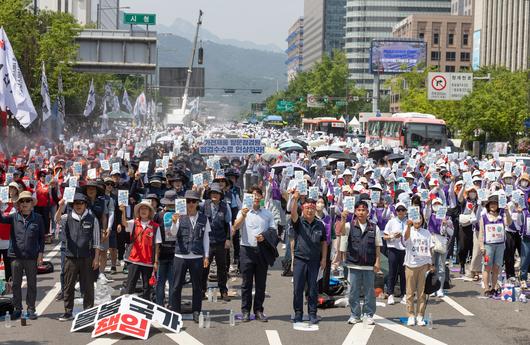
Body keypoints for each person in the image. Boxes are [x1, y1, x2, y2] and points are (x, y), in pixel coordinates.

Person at [233, 185, 277, 322]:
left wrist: (264, 237)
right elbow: (235, 227)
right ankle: (245, 311)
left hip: (261, 250)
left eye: (258, 195)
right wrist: (243, 215)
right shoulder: (243, 211)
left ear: (262, 197)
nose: (256, 197)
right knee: (246, 283)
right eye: (253, 195)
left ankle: (258, 310)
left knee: (261, 283)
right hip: (246, 250)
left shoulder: (267, 213)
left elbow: (273, 231)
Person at [56, 193, 102, 321]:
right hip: (70, 257)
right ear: (72, 205)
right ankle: (68, 312)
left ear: (85, 204)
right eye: (76, 203)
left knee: (88, 286)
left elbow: (97, 240)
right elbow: (57, 220)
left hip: (87, 257)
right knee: (68, 285)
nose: (78, 205)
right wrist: (60, 207)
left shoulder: (93, 218)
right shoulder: (67, 217)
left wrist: (96, 258)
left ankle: (88, 311)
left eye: (81, 203)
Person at [0, 191, 45, 320]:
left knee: (32, 284)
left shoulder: (38, 218)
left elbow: (41, 238)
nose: (25, 203)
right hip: (15, 256)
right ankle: (17, 309)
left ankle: (31, 309)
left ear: (32, 203)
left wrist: (40, 254)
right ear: (18, 204)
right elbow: (1, 219)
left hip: (31, 257)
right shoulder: (13, 217)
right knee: (16, 284)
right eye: (22, 201)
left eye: (27, 201)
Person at [169, 190, 210, 323]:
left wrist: (206, 256)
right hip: (180, 255)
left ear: (198, 203)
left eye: (194, 201)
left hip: (197, 256)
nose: (191, 204)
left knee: (197, 287)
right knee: (176, 286)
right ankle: (175, 312)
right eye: (188, 201)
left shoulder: (204, 218)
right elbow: (173, 233)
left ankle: (196, 311)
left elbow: (206, 239)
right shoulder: (179, 216)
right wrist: (174, 222)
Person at [337, 200, 381, 325]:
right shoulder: (349, 225)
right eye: (359, 210)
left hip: (369, 265)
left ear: (368, 212)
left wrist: (377, 261)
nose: (361, 212)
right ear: (355, 212)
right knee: (353, 291)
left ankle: (368, 314)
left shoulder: (374, 227)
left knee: (369, 292)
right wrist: (343, 218)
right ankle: (355, 314)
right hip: (353, 264)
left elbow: (378, 246)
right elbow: (340, 232)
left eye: (364, 210)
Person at [290, 192, 327, 324]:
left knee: (313, 289)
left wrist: (323, 259)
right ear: (303, 209)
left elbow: (324, 243)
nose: (310, 210)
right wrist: (295, 199)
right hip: (300, 260)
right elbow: (293, 213)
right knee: (298, 289)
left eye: (312, 208)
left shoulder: (320, 224)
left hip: (314, 261)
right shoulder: (298, 222)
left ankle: (312, 313)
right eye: (307, 208)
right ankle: (298, 313)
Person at [119, 200, 161, 300]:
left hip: (148, 262)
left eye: (146, 208)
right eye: (142, 208)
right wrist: (123, 211)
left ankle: (146, 307)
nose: (143, 211)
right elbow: (124, 223)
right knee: (130, 285)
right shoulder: (134, 222)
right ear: (138, 211)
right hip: (134, 259)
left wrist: (155, 262)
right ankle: (127, 307)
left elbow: (157, 245)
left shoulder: (155, 227)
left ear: (150, 212)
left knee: (147, 287)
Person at [201, 183, 232, 301]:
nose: (214, 195)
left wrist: (228, 239)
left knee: (222, 267)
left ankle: (223, 291)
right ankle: (202, 290)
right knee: (205, 267)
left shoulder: (225, 206)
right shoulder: (204, 205)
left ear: (220, 195)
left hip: (220, 240)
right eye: (213, 193)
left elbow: (227, 223)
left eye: (217, 193)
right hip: (207, 241)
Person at [479, 194, 512, 296]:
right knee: (487, 267)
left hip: (500, 246)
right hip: (488, 246)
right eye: (491, 204)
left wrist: (507, 212)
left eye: (495, 204)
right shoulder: (484, 217)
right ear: (488, 206)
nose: (493, 205)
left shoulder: (501, 217)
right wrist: (481, 246)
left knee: (497, 267)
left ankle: (493, 287)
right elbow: (481, 233)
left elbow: (509, 223)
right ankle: (486, 288)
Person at [403, 215, 434, 326]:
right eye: (415, 218)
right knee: (410, 292)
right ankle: (411, 315)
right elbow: (405, 240)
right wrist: (408, 225)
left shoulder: (427, 233)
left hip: (423, 265)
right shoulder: (408, 230)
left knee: (422, 293)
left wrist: (431, 264)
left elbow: (430, 248)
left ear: (422, 220)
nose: (417, 221)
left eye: (419, 218)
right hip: (410, 264)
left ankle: (420, 315)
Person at [383, 202, 407, 305]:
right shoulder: (391, 222)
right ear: (396, 211)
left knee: (404, 273)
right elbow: (385, 236)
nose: (401, 212)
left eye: (403, 210)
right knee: (392, 272)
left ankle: (404, 294)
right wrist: (393, 236)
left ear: (406, 211)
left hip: (405, 250)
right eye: (399, 210)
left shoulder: (408, 222)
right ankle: (390, 294)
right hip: (393, 249)